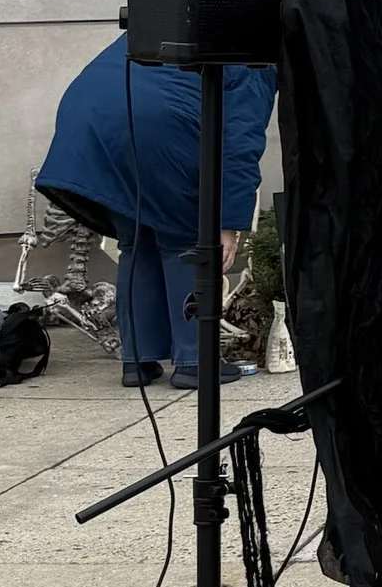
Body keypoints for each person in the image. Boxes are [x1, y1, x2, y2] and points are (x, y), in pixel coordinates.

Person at [36, 38, 276, 389]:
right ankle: (195, 361)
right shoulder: (257, 55)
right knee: (184, 237)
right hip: (161, 123)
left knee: (136, 238)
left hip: (88, 115)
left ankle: (138, 361)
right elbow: (240, 144)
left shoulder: (182, 7)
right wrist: (228, 224)